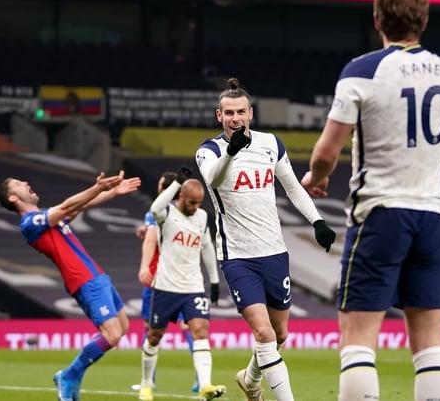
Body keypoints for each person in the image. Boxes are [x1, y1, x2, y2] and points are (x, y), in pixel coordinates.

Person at [301, 0, 440, 401]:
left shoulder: (362, 71)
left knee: (357, 337)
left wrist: (316, 178)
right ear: (424, 20)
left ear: (377, 19)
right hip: (431, 217)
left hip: (381, 213)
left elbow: (326, 152)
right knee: (430, 343)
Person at [195, 78, 337, 401]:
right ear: (219, 116)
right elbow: (213, 179)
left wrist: (317, 221)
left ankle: (250, 378)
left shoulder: (271, 144)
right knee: (264, 332)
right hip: (238, 257)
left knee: (280, 333)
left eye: (240, 112)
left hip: (274, 251)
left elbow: (292, 187)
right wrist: (231, 153)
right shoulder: (210, 151)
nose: (235, 118)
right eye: (228, 113)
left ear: (251, 113)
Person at [0, 171, 142, 401]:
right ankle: (69, 375)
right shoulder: (29, 224)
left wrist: (112, 192)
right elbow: (66, 207)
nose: (25, 182)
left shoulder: (47, 218)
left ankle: (71, 376)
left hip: (97, 276)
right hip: (83, 280)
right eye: (17, 183)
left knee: (123, 328)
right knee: (112, 334)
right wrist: (97, 188)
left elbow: (75, 208)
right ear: (14, 198)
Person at [137, 166, 226, 401]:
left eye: (199, 203)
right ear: (182, 198)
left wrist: (214, 281)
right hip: (165, 286)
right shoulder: (166, 214)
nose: (196, 207)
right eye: (192, 202)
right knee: (154, 335)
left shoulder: (202, 217)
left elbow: (207, 247)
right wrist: (177, 183)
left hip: (193, 287)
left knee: (201, 331)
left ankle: (205, 384)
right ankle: (147, 384)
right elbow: (154, 207)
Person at [132, 171, 199, 393]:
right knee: (189, 326)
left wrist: (143, 267)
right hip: (183, 276)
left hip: (158, 276)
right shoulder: (188, 212)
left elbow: (151, 239)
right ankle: (201, 377)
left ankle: (148, 380)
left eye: (160, 185)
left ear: (164, 188)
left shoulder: (158, 210)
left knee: (150, 329)